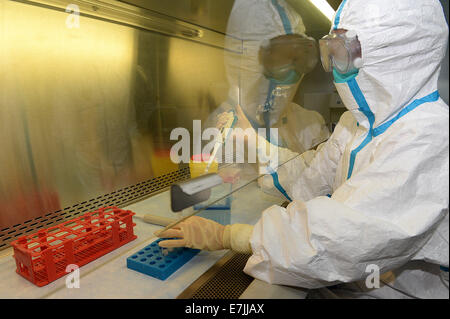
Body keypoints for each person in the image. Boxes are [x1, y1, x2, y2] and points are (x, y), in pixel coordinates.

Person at [158, 0, 449, 299]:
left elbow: (340, 238)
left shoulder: (429, 137)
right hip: (359, 284)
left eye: (343, 54)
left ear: (394, 54)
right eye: (329, 53)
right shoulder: (359, 125)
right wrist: (255, 142)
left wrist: (231, 236)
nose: (335, 71)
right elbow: (311, 176)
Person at [205, 0, 330, 155]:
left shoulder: (310, 124)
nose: (293, 71)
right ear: (248, 59)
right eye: (281, 56)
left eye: (298, 58)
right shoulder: (218, 128)